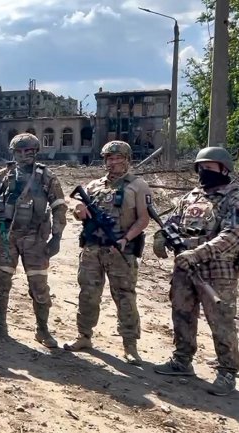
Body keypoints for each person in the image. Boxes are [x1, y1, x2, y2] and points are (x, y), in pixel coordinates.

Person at [153, 146, 238, 396]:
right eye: (200, 168)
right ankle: (182, 359)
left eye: (209, 168)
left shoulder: (233, 197)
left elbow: (232, 235)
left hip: (218, 270)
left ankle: (227, 371)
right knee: (182, 312)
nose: (203, 172)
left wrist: (198, 253)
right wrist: (161, 237)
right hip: (184, 267)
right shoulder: (192, 196)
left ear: (224, 169)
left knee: (221, 320)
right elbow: (173, 222)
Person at [63, 140, 151, 365]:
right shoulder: (94, 186)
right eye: (109, 159)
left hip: (120, 250)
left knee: (125, 297)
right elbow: (76, 208)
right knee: (88, 294)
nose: (113, 162)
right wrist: (78, 210)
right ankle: (84, 336)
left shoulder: (137, 186)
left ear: (127, 160)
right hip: (92, 248)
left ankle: (130, 345)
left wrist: (126, 239)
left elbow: (143, 219)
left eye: (118, 158)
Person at [0, 133, 67, 347]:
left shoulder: (46, 177)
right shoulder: (3, 175)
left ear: (35, 152)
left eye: (28, 151)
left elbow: (59, 206)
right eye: (19, 151)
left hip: (35, 238)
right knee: (0, 282)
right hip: (6, 236)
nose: (23, 155)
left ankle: (42, 330)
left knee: (39, 285)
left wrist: (56, 237)